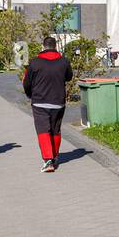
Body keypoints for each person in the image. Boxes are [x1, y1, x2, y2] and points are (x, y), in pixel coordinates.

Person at [22, 36, 73, 173]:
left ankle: (48, 160)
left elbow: (27, 82)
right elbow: (69, 77)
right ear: (55, 46)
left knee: (43, 130)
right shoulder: (64, 61)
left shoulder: (34, 63)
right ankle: (55, 155)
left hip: (40, 102)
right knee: (55, 130)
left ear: (43, 46)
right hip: (58, 102)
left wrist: (29, 94)